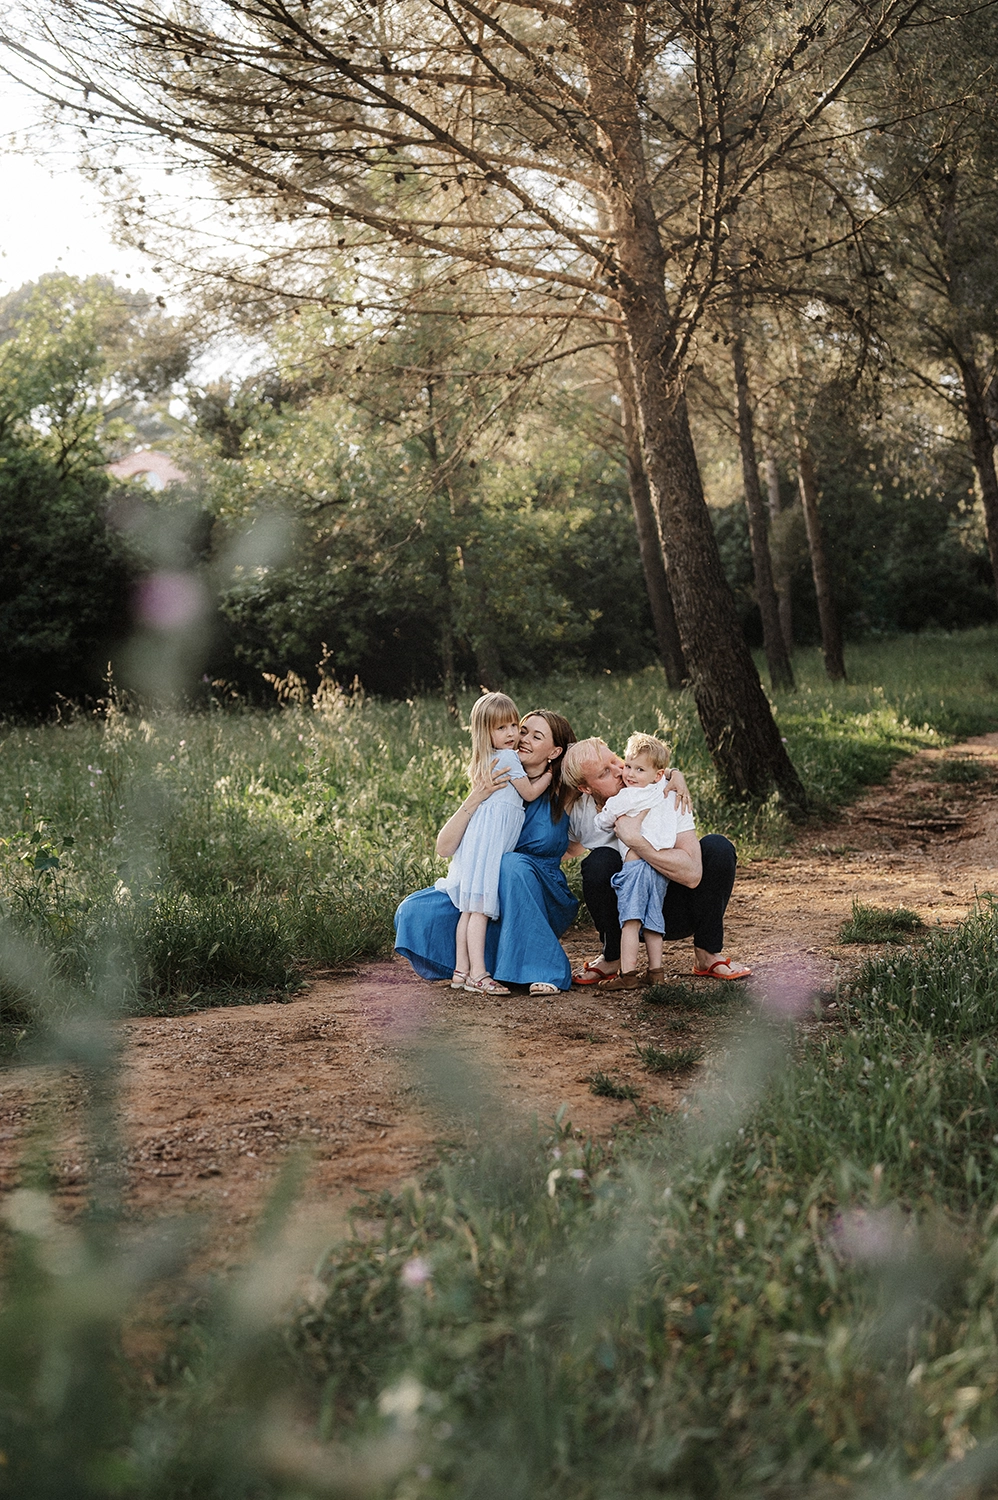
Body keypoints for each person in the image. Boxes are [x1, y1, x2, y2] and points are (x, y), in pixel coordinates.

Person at [395, 710, 578, 995]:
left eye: (536, 736)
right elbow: (444, 848)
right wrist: (476, 795)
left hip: (535, 890)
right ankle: (475, 968)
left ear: (555, 751)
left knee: (511, 865)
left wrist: (672, 777)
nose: (522, 739)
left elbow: (615, 777)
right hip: (488, 883)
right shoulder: (498, 775)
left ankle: (541, 968)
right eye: (524, 730)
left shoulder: (566, 791)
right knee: (415, 910)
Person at [563, 737, 751, 985]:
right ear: (586, 788)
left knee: (718, 847)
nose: (621, 771)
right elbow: (563, 849)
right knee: (598, 862)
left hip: (674, 905)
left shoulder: (667, 793)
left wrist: (637, 842)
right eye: (605, 772)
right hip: (627, 912)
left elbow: (693, 874)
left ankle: (707, 953)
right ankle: (612, 957)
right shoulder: (581, 812)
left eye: (615, 760)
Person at [437, 691, 552, 996]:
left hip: (476, 841)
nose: (512, 734)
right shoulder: (508, 757)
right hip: (489, 845)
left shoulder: (485, 760)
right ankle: (479, 974)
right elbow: (528, 793)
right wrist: (550, 777)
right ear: (484, 732)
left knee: (468, 909)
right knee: (481, 911)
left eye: (514, 725)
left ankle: (460, 971)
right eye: (502, 728)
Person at [592, 732, 677, 990]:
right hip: (659, 867)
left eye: (639, 769)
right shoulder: (663, 791)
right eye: (628, 765)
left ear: (657, 774)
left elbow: (602, 822)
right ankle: (656, 972)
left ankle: (627, 974)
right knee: (653, 919)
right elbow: (673, 777)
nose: (629, 774)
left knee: (630, 920)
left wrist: (603, 813)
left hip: (634, 865)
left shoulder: (626, 797)